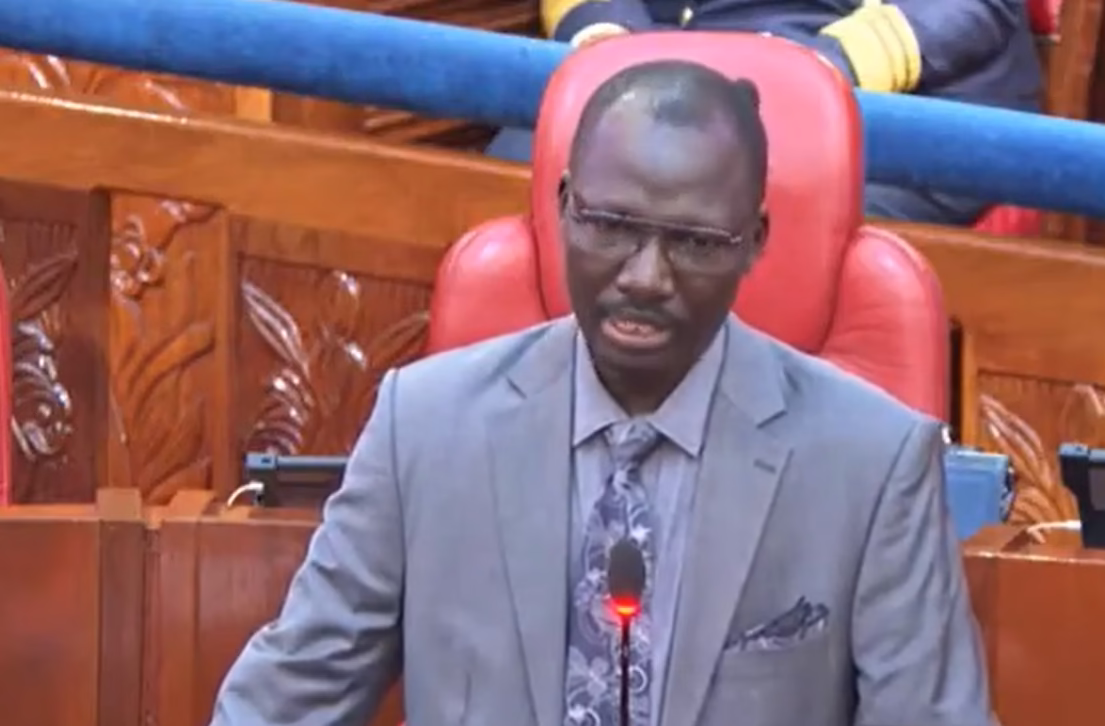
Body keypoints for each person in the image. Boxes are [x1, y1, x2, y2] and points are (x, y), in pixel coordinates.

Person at [210, 60, 992, 726]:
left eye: (693, 241)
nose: (645, 276)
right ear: (562, 207)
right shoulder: (423, 426)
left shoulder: (872, 465)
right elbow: (281, 704)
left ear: (754, 241)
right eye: (612, 226)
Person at [489, 0, 1041, 226]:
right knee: (514, 175)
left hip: (886, 94)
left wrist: (823, 70)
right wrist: (610, 42)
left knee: (769, 218)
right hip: (668, 65)